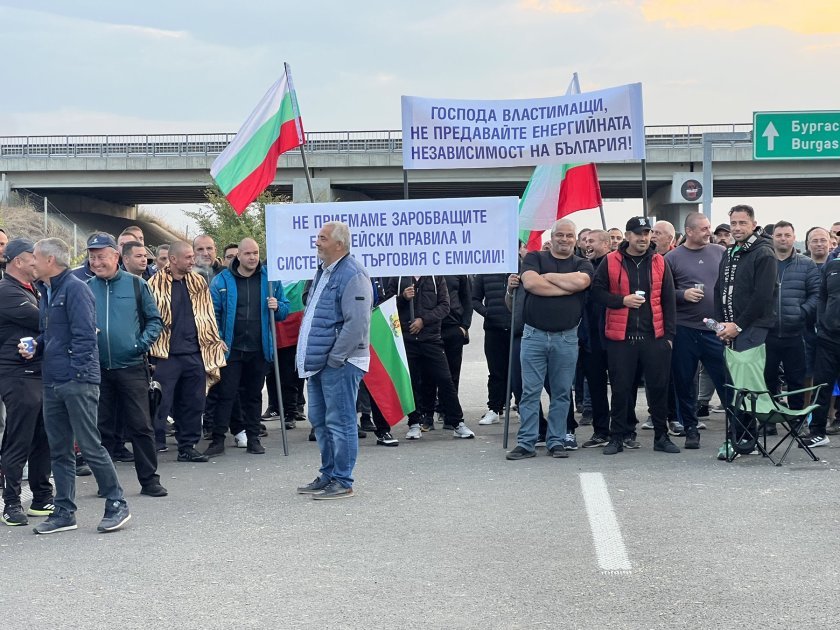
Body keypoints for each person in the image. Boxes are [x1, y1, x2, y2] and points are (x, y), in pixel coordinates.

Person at [25, 237, 131, 534]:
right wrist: (36, 345)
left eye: (34, 257)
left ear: (49, 261)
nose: (31, 262)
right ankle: (64, 512)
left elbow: (86, 337)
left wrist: (75, 374)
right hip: (53, 381)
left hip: (77, 382)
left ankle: (116, 503)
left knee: (89, 445)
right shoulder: (47, 290)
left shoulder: (75, 289)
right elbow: (53, 333)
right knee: (59, 449)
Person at [85, 233, 167, 496]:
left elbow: (155, 321)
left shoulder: (135, 285)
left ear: (115, 257)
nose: (96, 262)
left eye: (101, 256)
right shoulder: (86, 287)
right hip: (97, 369)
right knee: (102, 428)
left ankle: (150, 481)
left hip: (131, 366)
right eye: (92, 257)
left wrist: (139, 345)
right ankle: (106, 485)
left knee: (141, 426)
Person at [296, 221, 372, 500]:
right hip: (320, 362)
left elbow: (358, 323)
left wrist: (336, 358)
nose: (317, 242)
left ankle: (343, 480)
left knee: (340, 422)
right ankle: (328, 474)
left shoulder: (353, 274)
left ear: (339, 245)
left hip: (339, 363)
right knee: (320, 421)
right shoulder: (324, 272)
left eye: (322, 238)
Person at [591, 216, 680, 455]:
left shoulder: (660, 262)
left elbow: (669, 300)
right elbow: (596, 293)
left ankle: (661, 436)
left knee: (658, 389)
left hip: (655, 337)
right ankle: (617, 437)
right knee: (620, 390)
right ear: (628, 236)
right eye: (638, 233)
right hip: (621, 338)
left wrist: (669, 336)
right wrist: (622, 301)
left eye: (647, 233)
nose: (643, 238)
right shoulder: (610, 261)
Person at [506, 218, 593, 460]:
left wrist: (549, 278)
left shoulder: (583, 263)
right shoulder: (534, 258)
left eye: (569, 236)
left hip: (566, 339)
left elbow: (582, 282)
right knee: (530, 392)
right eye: (560, 235)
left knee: (562, 392)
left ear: (575, 239)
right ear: (551, 237)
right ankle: (527, 442)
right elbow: (532, 284)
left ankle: (556, 440)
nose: (564, 239)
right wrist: (568, 286)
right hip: (534, 336)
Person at [205, 238, 289, 456]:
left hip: (259, 348)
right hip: (231, 348)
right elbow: (213, 313)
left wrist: (277, 305)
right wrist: (218, 338)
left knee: (253, 396)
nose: (253, 257)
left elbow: (283, 311)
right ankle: (217, 439)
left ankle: (253, 438)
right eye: (248, 254)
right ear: (239, 255)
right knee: (226, 394)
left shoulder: (269, 279)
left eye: (256, 253)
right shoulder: (222, 280)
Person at [147, 241, 226, 462]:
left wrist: (215, 341)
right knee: (160, 402)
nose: (194, 260)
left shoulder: (198, 282)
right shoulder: (153, 284)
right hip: (166, 356)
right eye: (189, 257)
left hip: (195, 353)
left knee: (193, 402)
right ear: (173, 259)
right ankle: (153, 444)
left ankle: (187, 446)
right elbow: (147, 319)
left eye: (193, 257)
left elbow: (208, 315)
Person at [713, 205, 778, 457]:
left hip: (752, 329)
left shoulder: (764, 252)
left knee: (746, 387)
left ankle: (743, 440)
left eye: (742, 223)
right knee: (733, 385)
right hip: (730, 330)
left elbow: (762, 296)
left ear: (753, 224)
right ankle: (739, 438)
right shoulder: (729, 252)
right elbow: (719, 289)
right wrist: (721, 324)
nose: (737, 227)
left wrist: (737, 325)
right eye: (733, 223)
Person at [0, 239, 54, 526]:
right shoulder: (7, 291)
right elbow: (45, 320)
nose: (38, 262)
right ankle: (10, 503)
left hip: (39, 373)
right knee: (18, 439)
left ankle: (42, 498)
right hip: (17, 376)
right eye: (32, 258)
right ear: (18, 262)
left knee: (42, 437)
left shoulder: (33, 288)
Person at [664, 212, 727, 450]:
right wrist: (682, 294)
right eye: (703, 228)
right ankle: (690, 429)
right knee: (684, 382)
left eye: (708, 227)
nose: (708, 232)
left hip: (714, 329)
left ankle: (736, 427)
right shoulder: (672, 257)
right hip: (685, 329)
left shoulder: (720, 252)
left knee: (724, 379)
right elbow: (662, 293)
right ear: (689, 231)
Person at [387, 274, 475, 439]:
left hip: (431, 339)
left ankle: (457, 422)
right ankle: (414, 423)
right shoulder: (398, 276)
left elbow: (444, 306)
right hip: (407, 339)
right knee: (412, 383)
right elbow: (387, 305)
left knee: (445, 379)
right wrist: (403, 298)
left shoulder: (436, 277)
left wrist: (423, 321)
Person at [763, 221, 819, 421]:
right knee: (767, 380)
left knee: (796, 380)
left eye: (787, 235)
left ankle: (796, 419)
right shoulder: (764, 261)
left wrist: (801, 312)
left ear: (794, 238)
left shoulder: (806, 264)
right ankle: (769, 420)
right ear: (773, 238)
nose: (783, 239)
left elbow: (816, 294)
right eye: (779, 235)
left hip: (796, 333)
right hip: (767, 333)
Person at [420, 275, 472, 426]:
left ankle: (449, 415)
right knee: (427, 376)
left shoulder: (458, 271)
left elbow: (467, 299)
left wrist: (464, 326)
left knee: (451, 375)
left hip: (453, 328)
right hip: (429, 328)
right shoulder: (424, 269)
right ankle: (427, 415)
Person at [472, 256, 519, 425]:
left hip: (517, 329)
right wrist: (487, 313)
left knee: (518, 371)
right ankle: (494, 408)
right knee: (496, 371)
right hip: (494, 329)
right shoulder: (485, 272)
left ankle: (521, 406)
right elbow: (474, 299)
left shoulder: (521, 268)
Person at [577, 229, 613, 449]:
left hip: (614, 337)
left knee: (621, 387)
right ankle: (601, 432)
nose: (586, 245)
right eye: (585, 241)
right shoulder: (581, 267)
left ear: (607, 244)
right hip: (590, 338)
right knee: (596, 387)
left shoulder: (616, 265)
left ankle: (623, 430)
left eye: (592, 241)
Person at [807, 252, 840, 446]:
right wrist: (822, 323)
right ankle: (817, 432)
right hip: (829, 338)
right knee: (822, 385)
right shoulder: (832, 266)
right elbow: (822, 297)